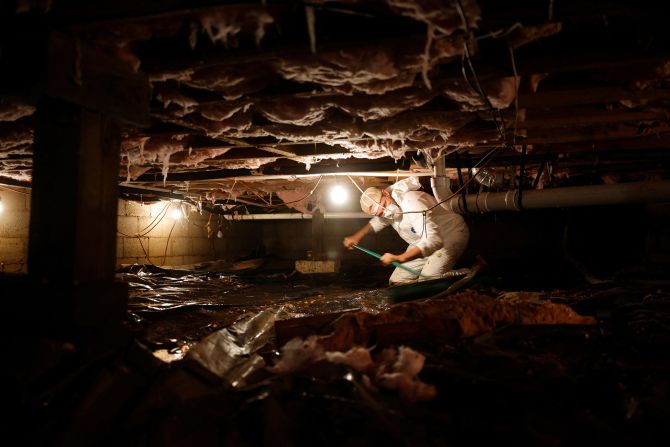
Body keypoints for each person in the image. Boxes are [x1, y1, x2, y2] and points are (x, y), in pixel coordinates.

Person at [343, 176, 469, 285]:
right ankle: (425, 285)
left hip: (448, 236)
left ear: (385, 193)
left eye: (384, 206)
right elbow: (377, 222)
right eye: (381, 213)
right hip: (421, 243)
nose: (387, 213)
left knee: (428, 282)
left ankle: (467, 274)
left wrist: (400, 258)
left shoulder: (412, 202)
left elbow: (434, 241)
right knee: (397, 282)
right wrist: (357, 236)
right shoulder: (388, 209)